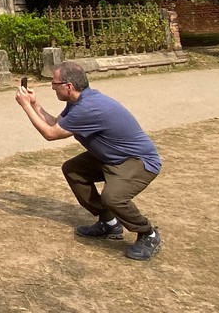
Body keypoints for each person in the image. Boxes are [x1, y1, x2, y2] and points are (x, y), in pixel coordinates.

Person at [15, 60, 162, 261]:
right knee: (74, 169)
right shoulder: (77, 101)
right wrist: (34, 104)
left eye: (55, 83)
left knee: (113, 197)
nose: (52, 86)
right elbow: (55, 123)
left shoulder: (89, 107)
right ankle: (108, 223)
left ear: (69, 87)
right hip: (111, 158)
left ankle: (148, 234)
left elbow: (50, 133)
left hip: (138, 161)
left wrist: (25, 107)